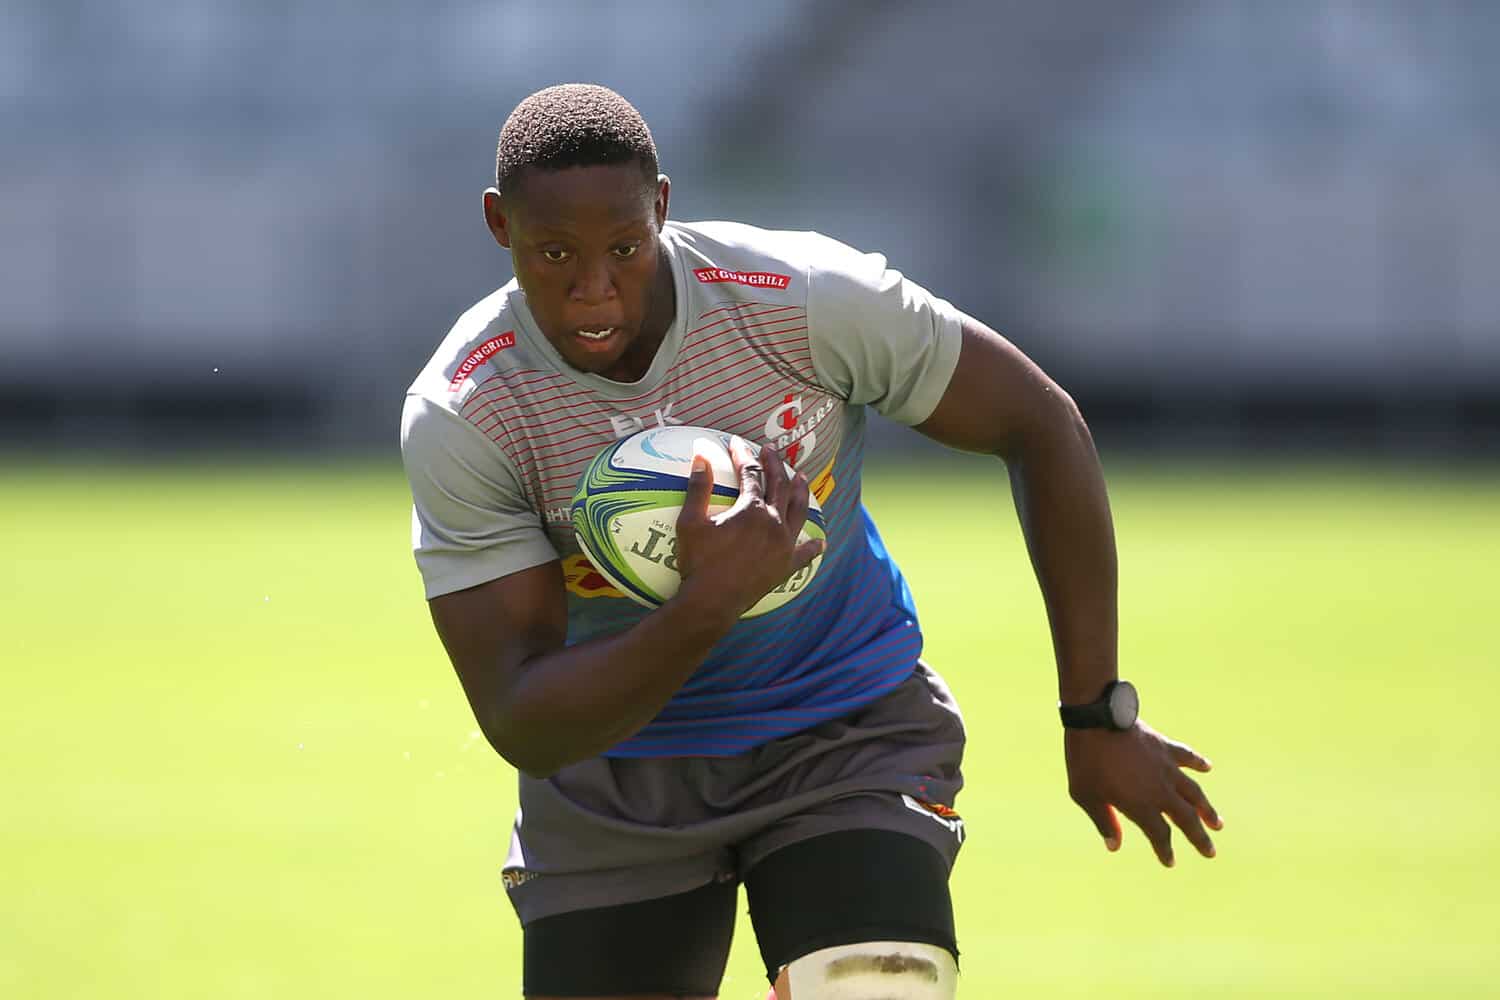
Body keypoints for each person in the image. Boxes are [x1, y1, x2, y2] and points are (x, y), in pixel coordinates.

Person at [400, 83, 1222, 1000]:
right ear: (499, 225)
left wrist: (1095, 712)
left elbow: (1041, 423)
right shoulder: (469, 410)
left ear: (662, 207)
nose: (594, 289)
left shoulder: (801, 300)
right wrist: (711, 601)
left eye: (624, 248)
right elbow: (522, 720)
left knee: (875, 988)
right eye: (554, 254)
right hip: (615, 775)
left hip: (840, 727)